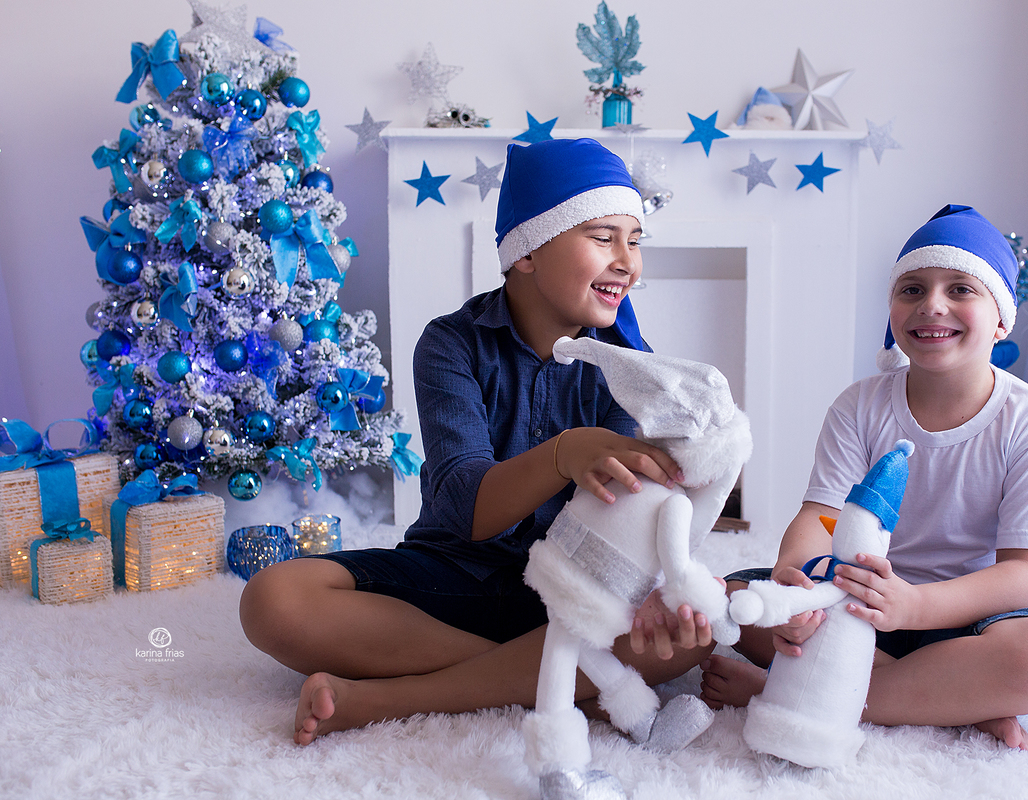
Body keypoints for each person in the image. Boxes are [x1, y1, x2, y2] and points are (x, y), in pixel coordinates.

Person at [238, 138, 716, 745]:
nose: (629, 261)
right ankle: (558, 680)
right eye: (602, 238)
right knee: (273, 599)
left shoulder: (631, 369)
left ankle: (395, 698)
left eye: (635, 239)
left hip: (567, 592)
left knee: (694, 626)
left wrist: (655, 590)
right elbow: (467, 508)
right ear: (527, 252)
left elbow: (631, 522)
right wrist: (564, 452)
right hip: (453, 572)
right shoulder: (450, 344)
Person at [701, 205, 1028, 752]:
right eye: (912, 289)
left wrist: (916, 607)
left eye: (960, 290)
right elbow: (820, 516)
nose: (933, 304)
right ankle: (949, 704)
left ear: (1001, 319)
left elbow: (1025, 575)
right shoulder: (859, 406)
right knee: (732, 599)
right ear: (892, 312)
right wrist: (795, 584)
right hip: (852, 600)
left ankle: (794, 693)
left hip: (966, 619)